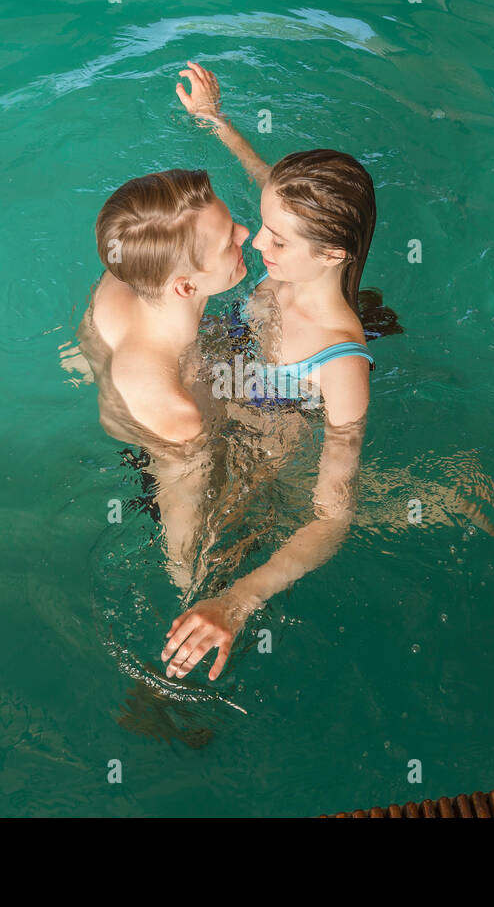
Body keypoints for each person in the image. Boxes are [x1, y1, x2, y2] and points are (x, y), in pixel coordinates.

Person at [161, 61, 394, 681]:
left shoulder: (341, 366)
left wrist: (239, 601)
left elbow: (332, 514)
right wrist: (217, 120)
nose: (256, 245)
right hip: (222, 377)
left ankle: (180, 692)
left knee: (199, 569)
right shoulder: (293, 250)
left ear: (333, 253)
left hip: (268, 435)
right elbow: (269, 181)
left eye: (278, 241)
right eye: (263, 226)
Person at [76, 168, 250, 589]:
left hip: (136, 377)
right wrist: (197, 592)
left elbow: (80, 354)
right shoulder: (179, 412)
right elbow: (184, 536)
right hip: (155, 451)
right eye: (230, 240)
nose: (246, 234)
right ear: (185, 288)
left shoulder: (118, 280)